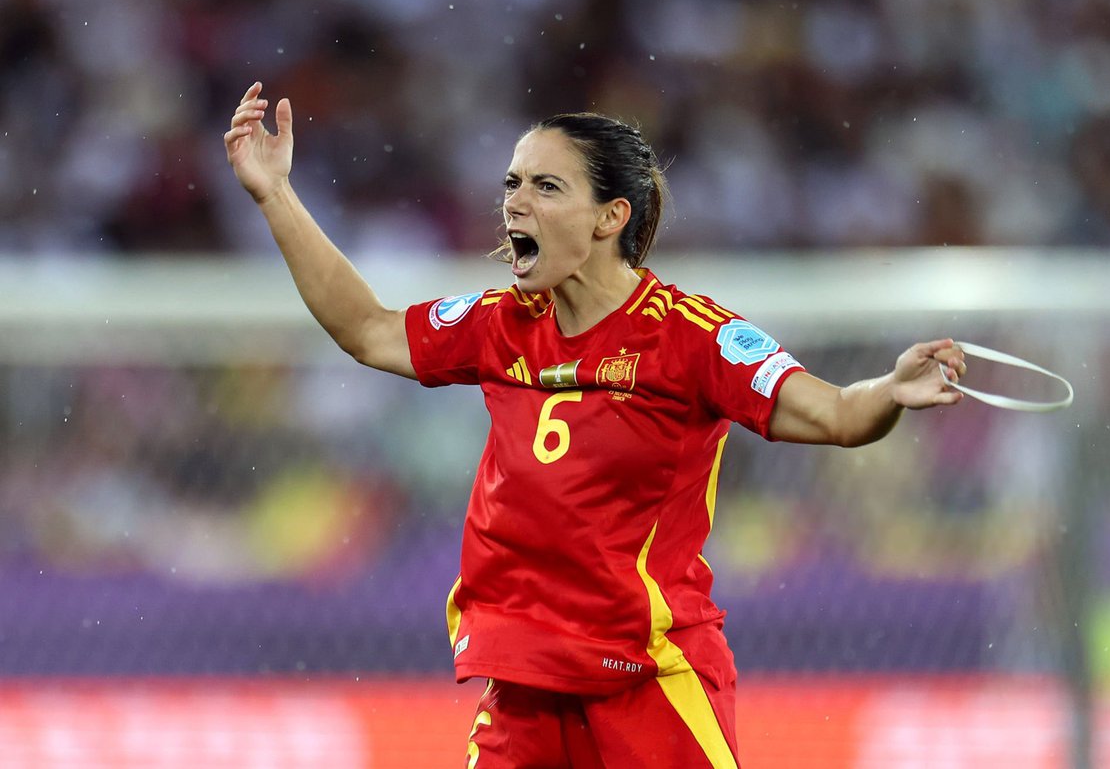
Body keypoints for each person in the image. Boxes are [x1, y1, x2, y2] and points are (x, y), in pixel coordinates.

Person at [225, 81, 967, 768]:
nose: (516, 202)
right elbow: (369, 331)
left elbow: (834, 413)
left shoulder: (691, 337)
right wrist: (276, 196)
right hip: (521, 683)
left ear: (612, 216)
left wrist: (889, 390)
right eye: (512, 183)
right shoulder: (500, 323)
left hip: (648, 682)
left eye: (547, 186)